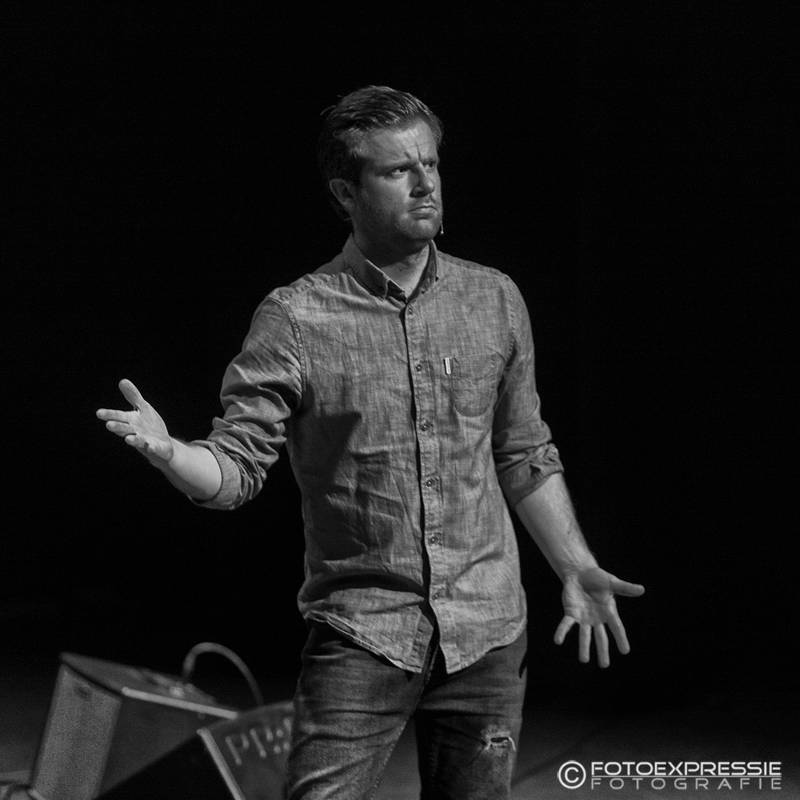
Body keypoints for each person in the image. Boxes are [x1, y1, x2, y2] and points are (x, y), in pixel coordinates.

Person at [97, 85, 645, 799]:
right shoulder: (297, 317)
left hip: (487, 632)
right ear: (345, 192)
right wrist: (172, 452)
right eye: (397, 170)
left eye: (431, 164)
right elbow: (236, 469)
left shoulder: (494, 299)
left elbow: (523, 450)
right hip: (364, 633)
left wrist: (574, 564)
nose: (425, 184)